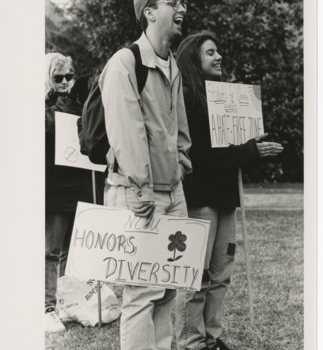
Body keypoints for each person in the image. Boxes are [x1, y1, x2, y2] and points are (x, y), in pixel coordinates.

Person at [174, 31, 283, 350]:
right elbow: (205, 154)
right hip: (201, 196)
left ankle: (213, 336)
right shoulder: (189, 99)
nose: (219, 56)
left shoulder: (225, 99)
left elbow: (234, 148)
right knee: (197, 274)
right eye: (211, 52)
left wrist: (252, 146)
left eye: (218, 51)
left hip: (225, 196)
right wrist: (251, 152)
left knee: (222, 272)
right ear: (194, 59)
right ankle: (192, 341)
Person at [98, 1, 191, 349]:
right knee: (141, 292)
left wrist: (181, 163)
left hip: (173, 191)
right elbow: (126, 132)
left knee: (168, 286)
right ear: (149, 12)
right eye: (173, 2)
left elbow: (178, 126)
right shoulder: (125, 62)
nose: (182, 7)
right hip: (139, 194)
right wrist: (142, 188)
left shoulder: (173, 63)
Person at [45, 52, 92, 332]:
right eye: (58, 77)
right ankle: (47, 307)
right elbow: (50, 132)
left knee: (71, 250)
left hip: (77, 185)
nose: (65, 82)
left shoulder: (76, 101)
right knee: (51, 249)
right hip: (53, 187)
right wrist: (61, 107)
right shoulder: (41, 104)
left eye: (69, 76)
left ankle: (65, 302)